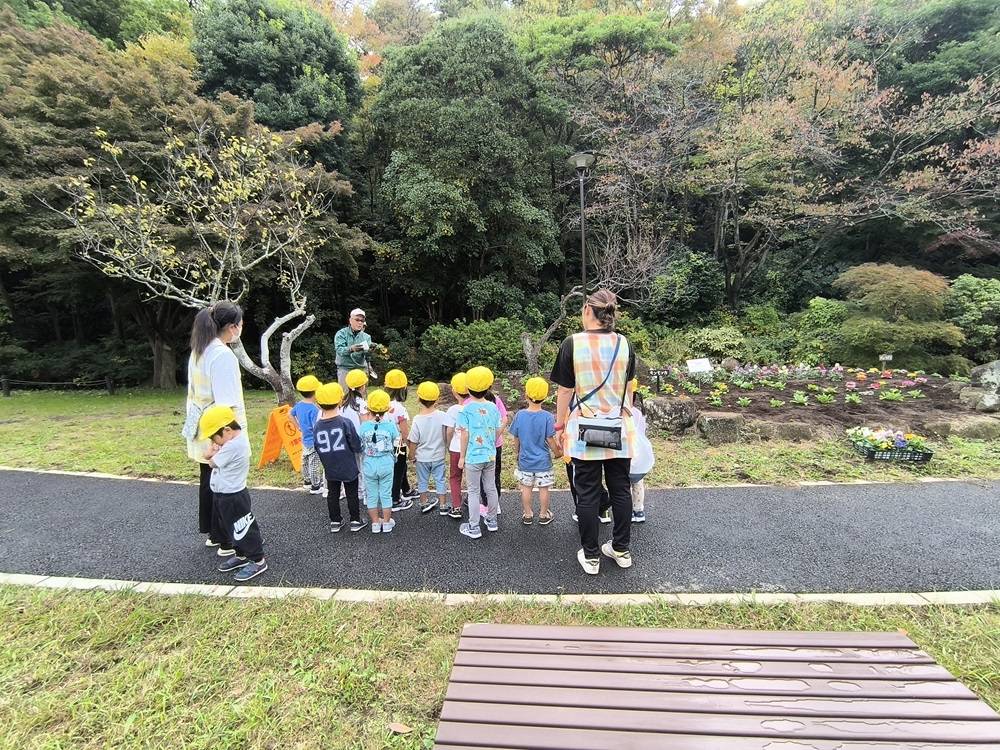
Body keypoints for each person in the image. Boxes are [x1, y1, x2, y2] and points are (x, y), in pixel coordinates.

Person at [551, 289, 637, 575]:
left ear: (588, 309)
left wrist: (560, 425)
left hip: (584, 429)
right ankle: (621, 549)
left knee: (586, 493)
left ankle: (591, 557)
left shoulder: (572, 343)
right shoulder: (624, 343)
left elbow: (565, 390)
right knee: (621, 490)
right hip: (618, 429)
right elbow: (630, 388)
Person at [182, 301, 246, 558]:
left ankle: (212, 532)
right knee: (225, 482)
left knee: (209, 479)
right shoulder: (222, 355)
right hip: (220, 430)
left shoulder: (200, 350)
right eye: (240, 325)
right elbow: (226, 403)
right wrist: (227, 440)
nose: (241, 329)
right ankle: (227, 538)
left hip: (203, 426)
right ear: (232, 327)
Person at [198, 405, 267, 582]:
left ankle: (258, 560)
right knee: (231, 528)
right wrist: (215, 450)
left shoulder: (233, 446)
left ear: (227, 430)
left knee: (244, 528)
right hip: (224, 495)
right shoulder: (230, 442)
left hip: (233, 496)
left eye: (214, 438)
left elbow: (212, 463)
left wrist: (211, 454)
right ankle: (242, 555)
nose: (214, 442)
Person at [313, 382, 366, 533]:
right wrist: (359, 449)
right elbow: (356, 444)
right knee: (351, 493)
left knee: (333, 493)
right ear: (340, 400)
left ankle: (335, 521)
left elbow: (317, 445)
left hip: (329, 465)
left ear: (318, 404)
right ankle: (355, 520)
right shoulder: (345, 422)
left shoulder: (317, 425)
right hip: (347, 463)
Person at [457, 366, 502, 540]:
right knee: (490, 488)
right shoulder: (492, 407)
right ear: (489, 387)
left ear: (468, 388)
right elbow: (498, 429)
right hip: (490, 455)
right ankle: (492, 521)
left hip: (473, 457)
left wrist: (461, 456)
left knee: (474, 491)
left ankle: (474, 526)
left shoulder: (465, 410)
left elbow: (465, 434)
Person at [509, 377, 561, 525]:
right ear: (545, 397)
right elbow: (550, 439)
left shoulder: (519, 415)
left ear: (526, 395)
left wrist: (517, 453)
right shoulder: (547, 417)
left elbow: (516, 438)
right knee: (544, 488)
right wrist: (557, 453)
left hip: (525, 460)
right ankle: (544, 515)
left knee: (526, 488)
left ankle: (527, 514)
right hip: (543, 461)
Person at [359, 390, 398, 534]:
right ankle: (387, 523)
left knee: (372, 495)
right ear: (387, 409)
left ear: (368, 409)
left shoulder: (363, 426)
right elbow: (396, 438)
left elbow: (360, 443)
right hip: (386, 464)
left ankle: (375, 523)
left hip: (369, 464)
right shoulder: (390, 425)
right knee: (386, 494)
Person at [408, 381, 450, 515]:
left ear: (419, 399)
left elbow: (413, 440)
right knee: (440, 479)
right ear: (437, 399)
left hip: (422, 458)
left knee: (422, 480)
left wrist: (411, 455)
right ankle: (443, 505)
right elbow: (446, 434)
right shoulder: (443, 416)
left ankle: (424, 502)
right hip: (438, 455)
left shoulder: (417, 419)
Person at [384, 368, 416, 510]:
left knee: (400, 468)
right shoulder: (399, 408)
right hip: (398, 445)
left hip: (384, 444)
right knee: (398, 470)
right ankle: (395, 499)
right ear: (404, 388)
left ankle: (406, 489)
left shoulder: (381, 403)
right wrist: (411, 449)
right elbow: (404, 432)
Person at [290, 374, 323, 494]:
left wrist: (297, 426)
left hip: (304, 438)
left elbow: (290, 414)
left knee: (304, 460)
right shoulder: (314, 409)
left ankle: (307, 482)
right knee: (314, 462)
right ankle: (316, 486)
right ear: (315, 392)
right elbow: (316, 426)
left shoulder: (299, 405)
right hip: (314, 440)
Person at [342, 368, 370, 502]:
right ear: (363, 386)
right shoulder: (362, 404)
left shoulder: (344, 403)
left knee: (355, 468)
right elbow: (365, 425)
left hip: (347, 441)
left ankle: (357, 493)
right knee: (364, 469)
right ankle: (366, 495)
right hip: (361, 442)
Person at [629, 380, 655, 523]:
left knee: (623, 483)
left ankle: (626, 510)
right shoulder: (639, 412)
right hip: (639, 453)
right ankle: (638, 510)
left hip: (626, 453)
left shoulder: (622, 412)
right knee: (638, 483)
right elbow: (642, 432)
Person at [444, 372, 468, 519]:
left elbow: (449, 430)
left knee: (454, 477)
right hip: (472, 449)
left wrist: (447, 444)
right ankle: (473, 503)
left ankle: (456, 507)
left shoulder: (453, 410)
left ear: (454, 391)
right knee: (473, 479)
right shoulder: (474, 408)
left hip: (455, 449)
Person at [334, 309, 373, 391]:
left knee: (361, 397)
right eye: (357, 320)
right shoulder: (341, 333)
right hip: (345, 369)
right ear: (350, 320)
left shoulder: (367, 337)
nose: (360, 322)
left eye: (362, 321)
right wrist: (351, 349)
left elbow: (367, 356)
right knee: (345, 396)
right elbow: (339, 350)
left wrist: (370, 351)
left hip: (360, 369)